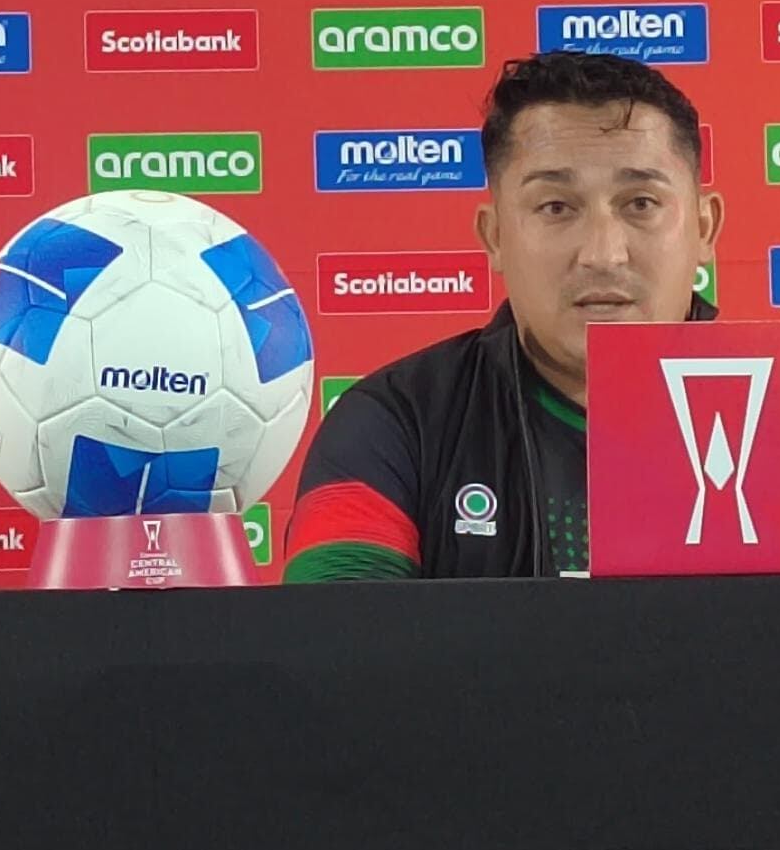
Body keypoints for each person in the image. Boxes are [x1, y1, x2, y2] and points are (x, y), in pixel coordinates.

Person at [282, 51, 721, 581]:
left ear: (704, 229)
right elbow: (337, 651)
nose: (603, 254)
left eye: (641, 203)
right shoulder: (394, 423)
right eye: (556, 207)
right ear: (494, 238)